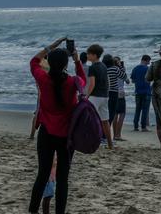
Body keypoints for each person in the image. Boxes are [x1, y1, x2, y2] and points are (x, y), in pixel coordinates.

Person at [29, 37, 86, 214]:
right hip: (66, 137)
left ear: (50, 63)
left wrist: (51, 46)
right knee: (63, 179)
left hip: (46, 134)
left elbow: (34, 61)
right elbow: (83, 80)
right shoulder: (72, 82)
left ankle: (33, 210)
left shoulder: (43, 79)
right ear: (65, 64)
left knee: (42, 175)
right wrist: (77, 60)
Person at [84, 44, 113, 150]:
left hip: (95, 96)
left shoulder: (93, 67)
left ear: (94, 55)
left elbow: (92, 84)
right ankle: (110, 144)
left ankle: (90, 142)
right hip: (104, 96)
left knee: (89, 120)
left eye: (89, 54)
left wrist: (86, 96)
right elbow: (107, 82)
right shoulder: (103, 66)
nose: (87, 56)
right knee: (105, 121)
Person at [102, 54, 128, 141]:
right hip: (114, 93)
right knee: (112, 114)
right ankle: (106, 136)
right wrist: (120, 66)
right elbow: (124, 76)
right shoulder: (114, 68)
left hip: (105, 93)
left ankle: (103, 134)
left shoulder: (103, 69)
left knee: (106, 114)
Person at [131, 55, 152, 132]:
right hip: (146, 91)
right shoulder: (147, 69)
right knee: (145, 110)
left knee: (138, 109)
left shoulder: (135, 68)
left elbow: (133, 81)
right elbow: (150, 79)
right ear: (146, 60)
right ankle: (143, 127)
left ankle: (135, 126)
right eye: (148, 61)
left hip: (138, 91)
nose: (149, 63)